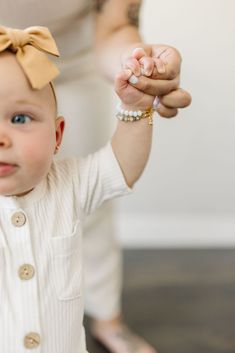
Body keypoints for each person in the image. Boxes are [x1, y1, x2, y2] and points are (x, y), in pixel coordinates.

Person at [0, 2, 191, 353]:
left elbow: (120, 164)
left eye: (20, 120)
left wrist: (139, 94)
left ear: (58, 136)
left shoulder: (71, 185)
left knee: (98, 213)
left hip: (77, 59)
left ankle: (109, 318)